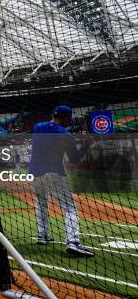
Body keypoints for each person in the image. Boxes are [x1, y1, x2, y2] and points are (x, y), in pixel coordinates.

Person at [29, 105, 94, 258]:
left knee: (42, 203)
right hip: (54, 173)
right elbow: (75, 159)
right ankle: (73, 242)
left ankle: (42, 235)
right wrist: (86, 144)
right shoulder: (66, 135)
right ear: (65, 118)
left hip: (34, 173)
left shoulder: (38, 127)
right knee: (70, 208)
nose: (68, 122)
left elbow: (52, 131)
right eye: (68, 119)